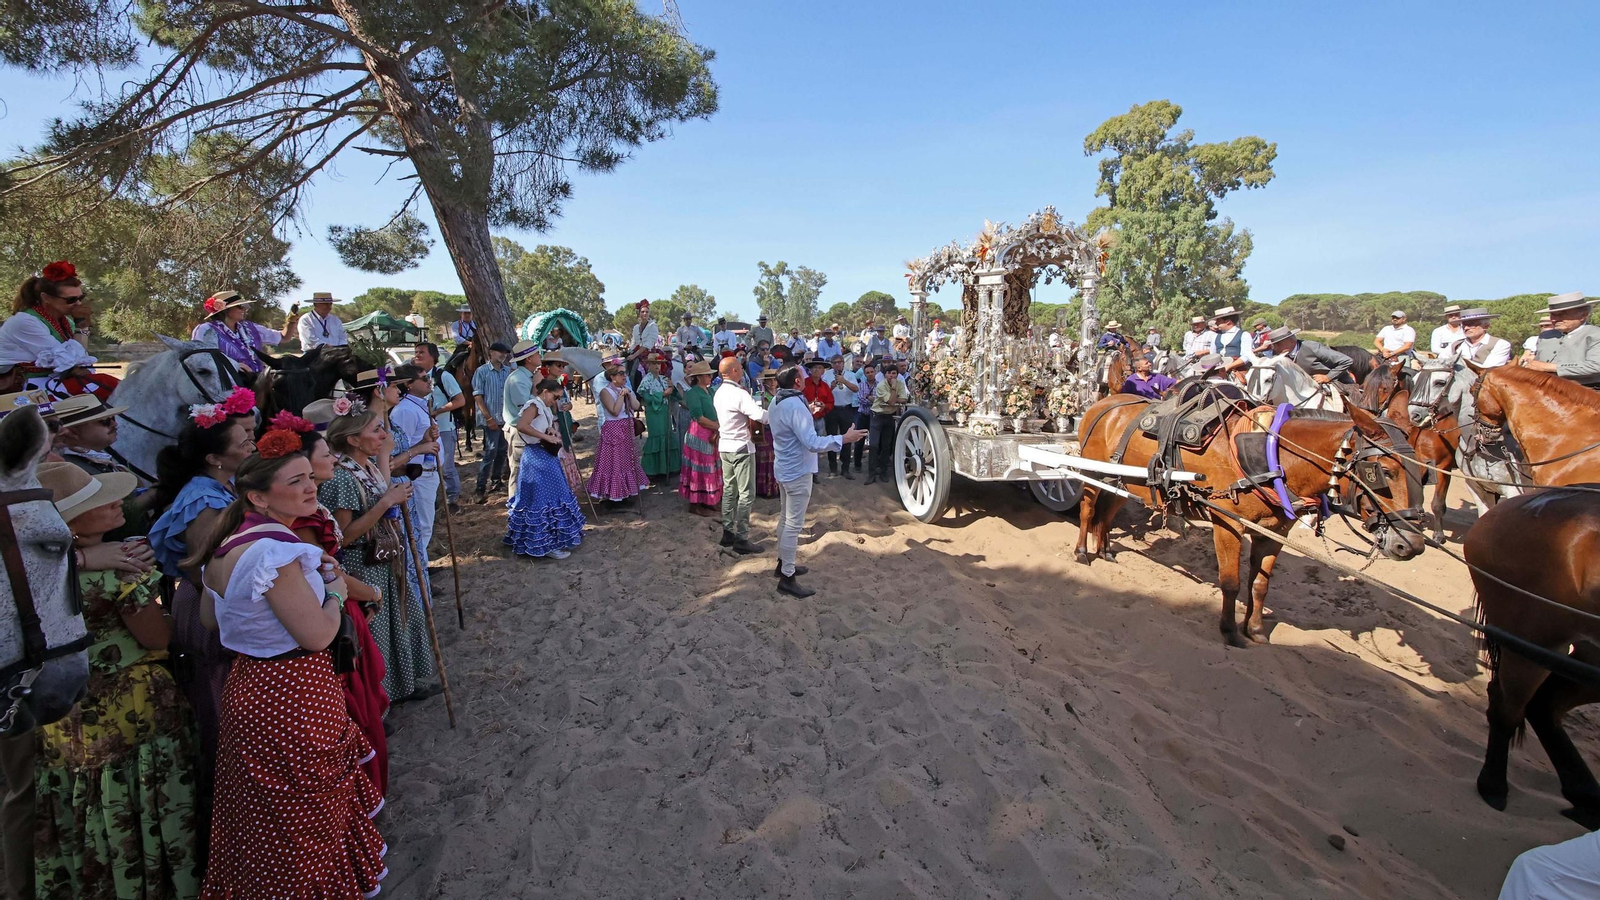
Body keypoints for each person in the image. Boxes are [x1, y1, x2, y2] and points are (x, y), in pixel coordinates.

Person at [195, 449, 387, 900]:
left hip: (248, 686)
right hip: (292, 692)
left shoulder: (227, 545)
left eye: (309, 477)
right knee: (305, 817)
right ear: (259, 498)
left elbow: (211, 622)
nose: (310, 487)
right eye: (295, 481)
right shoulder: (274, 554)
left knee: (264, 816)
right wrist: (337, 595)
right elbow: (318, 636)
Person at [33, 462, 201, 899]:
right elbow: (156, 636)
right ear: (69, 523)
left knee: (82, 798)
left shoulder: (35, 578)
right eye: (98, 502)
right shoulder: (120, 572)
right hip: (132, 709)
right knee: (141, 797)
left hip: (65, 716)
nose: (114, 503)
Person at [286, 419, 389, 796]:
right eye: (323, 455)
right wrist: (366, 594)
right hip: (341, 603)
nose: (330, 460)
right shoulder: (302, 524)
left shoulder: (313, 506)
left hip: (347, 595)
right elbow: (333, 569)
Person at [320, 396, 438, 705]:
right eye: (376, 431)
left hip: (386, 561)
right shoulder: (342, 478)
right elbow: (342, 537)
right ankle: (378, 701)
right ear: (354, 440)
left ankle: (402, 686)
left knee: (399, 623)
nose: (384, 436)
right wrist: (387, 502)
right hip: (364, 564)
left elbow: (381, 491)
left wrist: (390, 488)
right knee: (377, 636)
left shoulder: (366, 466)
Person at [767, 365, 867, 596]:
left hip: (785, 468)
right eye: (803, 376)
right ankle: (787, 576)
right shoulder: (794, 405)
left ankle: (783, 564)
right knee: (793, 524)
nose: (807, 377)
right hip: (797, 471)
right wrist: (844, 438)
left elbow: (792, 428)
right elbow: (812, 442)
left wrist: (806, 413)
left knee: (786, 519)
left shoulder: (777, 401)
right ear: (798, 383)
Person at [0, 261, 112, 398]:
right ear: (46, 298)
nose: (78, 303)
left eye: (81, 298)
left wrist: (82, 327)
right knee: (108, 385)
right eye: (71, 300)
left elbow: (79, 358)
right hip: (24, 388)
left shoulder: (66, 321)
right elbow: (66, 362)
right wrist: (81, 328)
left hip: (49, 382)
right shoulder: (25, 322)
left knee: (109, 388)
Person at [507, 378, 586, 559]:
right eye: (555, 396)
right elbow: (522, 426)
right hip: (536, 455)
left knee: (552, 496)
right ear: (545, 392)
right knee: (544, 499)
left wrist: (551, 432)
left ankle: (551, 541)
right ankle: (546, 544)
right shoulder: (533, 406)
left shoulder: (543, 407)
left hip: (544, 455)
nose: (556, 401)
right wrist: (545, 436)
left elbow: (540, 425)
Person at [391, 364, 445, 559]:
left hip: (429, 473)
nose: (429, 381)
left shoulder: (419, 405)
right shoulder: (405, 410)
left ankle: (420, 565)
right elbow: (399, 449)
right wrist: (421, 447)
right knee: (421, 526)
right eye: (424, 378)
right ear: (409, 384)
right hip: (418, 475)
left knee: (425, 525)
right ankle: (418, 569)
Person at [713, 357, 767, 555]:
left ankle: (728, 531)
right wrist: (774, 414)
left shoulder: (719, 392)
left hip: (725, 445)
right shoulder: (739, 393)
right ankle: (742, 537)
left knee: (729, 489)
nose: (743, 369)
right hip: (741, 446)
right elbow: (759, 416)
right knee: (746, 493)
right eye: (740, 367)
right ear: (735, 370)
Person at [191, 289, 298, 375]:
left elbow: (284, 338)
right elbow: (200, 360)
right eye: (240, 306)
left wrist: (291, 321)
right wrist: (234, 365)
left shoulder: (250, 327)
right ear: (225, 310)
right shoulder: (206, 330)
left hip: (257, 383)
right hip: (227, 387)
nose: (244, 309)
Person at [414, 342, 465, 515]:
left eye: (421, 352)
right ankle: (433, 499)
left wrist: (437, 411)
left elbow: (460, 400)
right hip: (422, 430)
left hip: (443, 427)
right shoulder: (413, 378)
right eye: (416, 352)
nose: (417, 355)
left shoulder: (443, 376)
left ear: (433, 357)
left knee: (446, 466)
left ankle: (452, 499)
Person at [587, 365, 650, 503]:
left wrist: (629, 394)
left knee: (627, 460)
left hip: (626, 427)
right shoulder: (605, 392)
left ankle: (626, 490)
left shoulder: (624, 389)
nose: (624, 376)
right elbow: (614, 411)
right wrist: (621, 397)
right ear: (612, 377)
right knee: (613, 462)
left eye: (624, 373)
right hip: (613, 429)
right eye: (620, 373)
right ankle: (611, 494)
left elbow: (636, 406)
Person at [1522, 292, 1600, 388]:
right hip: (1544, 388)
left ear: (1583, 315)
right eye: (1552, 315)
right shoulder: (1545, 336)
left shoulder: (1596, 335)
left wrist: (1551, 367)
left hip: (1586, 391)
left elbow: (1596, 366)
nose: (1555, 319)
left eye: (1562, 314)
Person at [678, 360, 722, 517]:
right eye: (706, 375)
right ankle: (696, 503)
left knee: (709, 466)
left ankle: (706, 500)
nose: (710, 377)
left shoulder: (710, 392)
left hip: (710, 432)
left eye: (710, 374)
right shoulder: (693, 393)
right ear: (698, 377)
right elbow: (699, 417)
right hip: (700, 435)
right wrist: (719, 426)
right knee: (700, 468)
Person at [472, 341, 513, 503]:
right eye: (499, 352)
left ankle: (496, 480)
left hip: (505, 419)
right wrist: (488, 418)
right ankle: (480, 487)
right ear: (491, 353)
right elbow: (477, 396)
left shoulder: (508, 372)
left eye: (505, 353)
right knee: (490, 450)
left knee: (502, 450)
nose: (503, 355)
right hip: (491, 419)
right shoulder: (481, 372)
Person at [502, 341, 543, 501]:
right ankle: (516, 508)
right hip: (519, 432)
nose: (539, 356)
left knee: (530, 471)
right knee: (519, 471)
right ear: (529, 359)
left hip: (530, 430)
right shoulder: (517, 380)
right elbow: (527, 409)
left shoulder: (529, 376)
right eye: (537, 354)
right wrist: (535, 387)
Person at [866, 359, 909, 486]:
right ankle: (871, 474)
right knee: (873, 446)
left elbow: (904, 399)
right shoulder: (881, 385)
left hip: (889, 416)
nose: (892, 376)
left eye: (894, 373)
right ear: (885, 375)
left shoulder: (901, 383)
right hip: (877, 416)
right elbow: (892, 401)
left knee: (886, 446)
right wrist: (894, 389)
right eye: (889, 373)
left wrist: (895, 397)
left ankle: (884, 472)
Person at [639, 351, 681, 479]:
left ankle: (670, 467)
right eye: (654, 363)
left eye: (659, 363)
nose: (657, 366)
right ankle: (653, 470)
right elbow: (646, 398)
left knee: (668, 434)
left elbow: (674, 395)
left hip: (665, 411)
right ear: (649, 365)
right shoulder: (645, 381)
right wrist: (662, 394)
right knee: (656, 436)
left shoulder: (664, 379)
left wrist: (672, 389)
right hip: (654, 412)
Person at [1264, 326, 1355, 386]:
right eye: (1273, 345)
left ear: (1291, 341)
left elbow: (1346, 360)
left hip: (1337, 383)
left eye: (1278, 344)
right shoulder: (1278, 355)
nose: (1275, 348)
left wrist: (1328, 377)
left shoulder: (1312, 347)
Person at [823, 355, 860, 479]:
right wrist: (831, 387)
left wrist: (844, 381)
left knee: (847, 438)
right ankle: (833, 467)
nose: (838, 365)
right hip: (832, 410)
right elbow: (823, 393)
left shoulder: (850, 375)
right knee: (831, 437)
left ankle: (845, 468)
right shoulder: (826, 375)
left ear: (844, 363)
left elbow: (856, 389)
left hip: (846, 409)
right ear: (832, 364)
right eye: (835, 363)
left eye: (840, 362)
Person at [1440, 308, 1512, 368]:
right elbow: (1441, 361)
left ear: (1485, 326)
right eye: (1464, 325)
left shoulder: (1500, 344)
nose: (1466, 328)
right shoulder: (1456, 345)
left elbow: (1488, 369)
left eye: (1472, 325)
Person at [800, 358, 834, 484]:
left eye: (820, 368)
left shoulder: (825, 386)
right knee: (804, 445)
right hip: (805, 420)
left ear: (823, 371)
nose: (817, 370)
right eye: (815, 367)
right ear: (810, 370)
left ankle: (813, 473)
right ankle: (804, 471)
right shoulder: (804, 383)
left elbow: (831, 402)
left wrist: (824, 407)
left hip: (819, 419)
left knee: (816, 447)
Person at [1209, 307, 1260, 373]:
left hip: (1238, 370)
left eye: (1218, 321)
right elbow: (1212, 354)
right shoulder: (1215, 336)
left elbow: (1246, 356)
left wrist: (1228, 366)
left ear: (1228, 322)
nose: (1216, 323)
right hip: (1218, 371)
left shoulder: (1244, 335)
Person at [754, 371, 780, 499]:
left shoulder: (780, 394)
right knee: (766, 457)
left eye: (774, 379)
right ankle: (765, 488)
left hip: (778, 429)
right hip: (765, 429)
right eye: (769, 380)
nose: (772, 382)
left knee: (776, 457)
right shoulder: (760, 396)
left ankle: (776, 487)